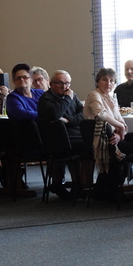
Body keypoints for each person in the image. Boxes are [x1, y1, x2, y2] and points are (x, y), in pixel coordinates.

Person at [85, 68, 133, 201]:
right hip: (102, 140)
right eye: (104, 80)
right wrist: (120, 127)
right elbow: (100, 114)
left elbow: (120, 120)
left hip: (113, 136)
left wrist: (121, 133)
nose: (108, 83)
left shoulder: (111, 98)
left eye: (112, 81)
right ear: (98, 81)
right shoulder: (94, 95)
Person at [37, 70, 84, 199]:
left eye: (67, 83)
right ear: (51, 84)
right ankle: (77, 184)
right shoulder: (46, 99)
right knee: (85, 146)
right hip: (57, 141)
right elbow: (55, 114)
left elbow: (83, 114)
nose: (64, 86)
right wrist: (67, 99)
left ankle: (79, 185)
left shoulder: (72, 95)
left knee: (93, 142)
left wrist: (69, 120)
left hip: (75, 135)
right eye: (60, 83)